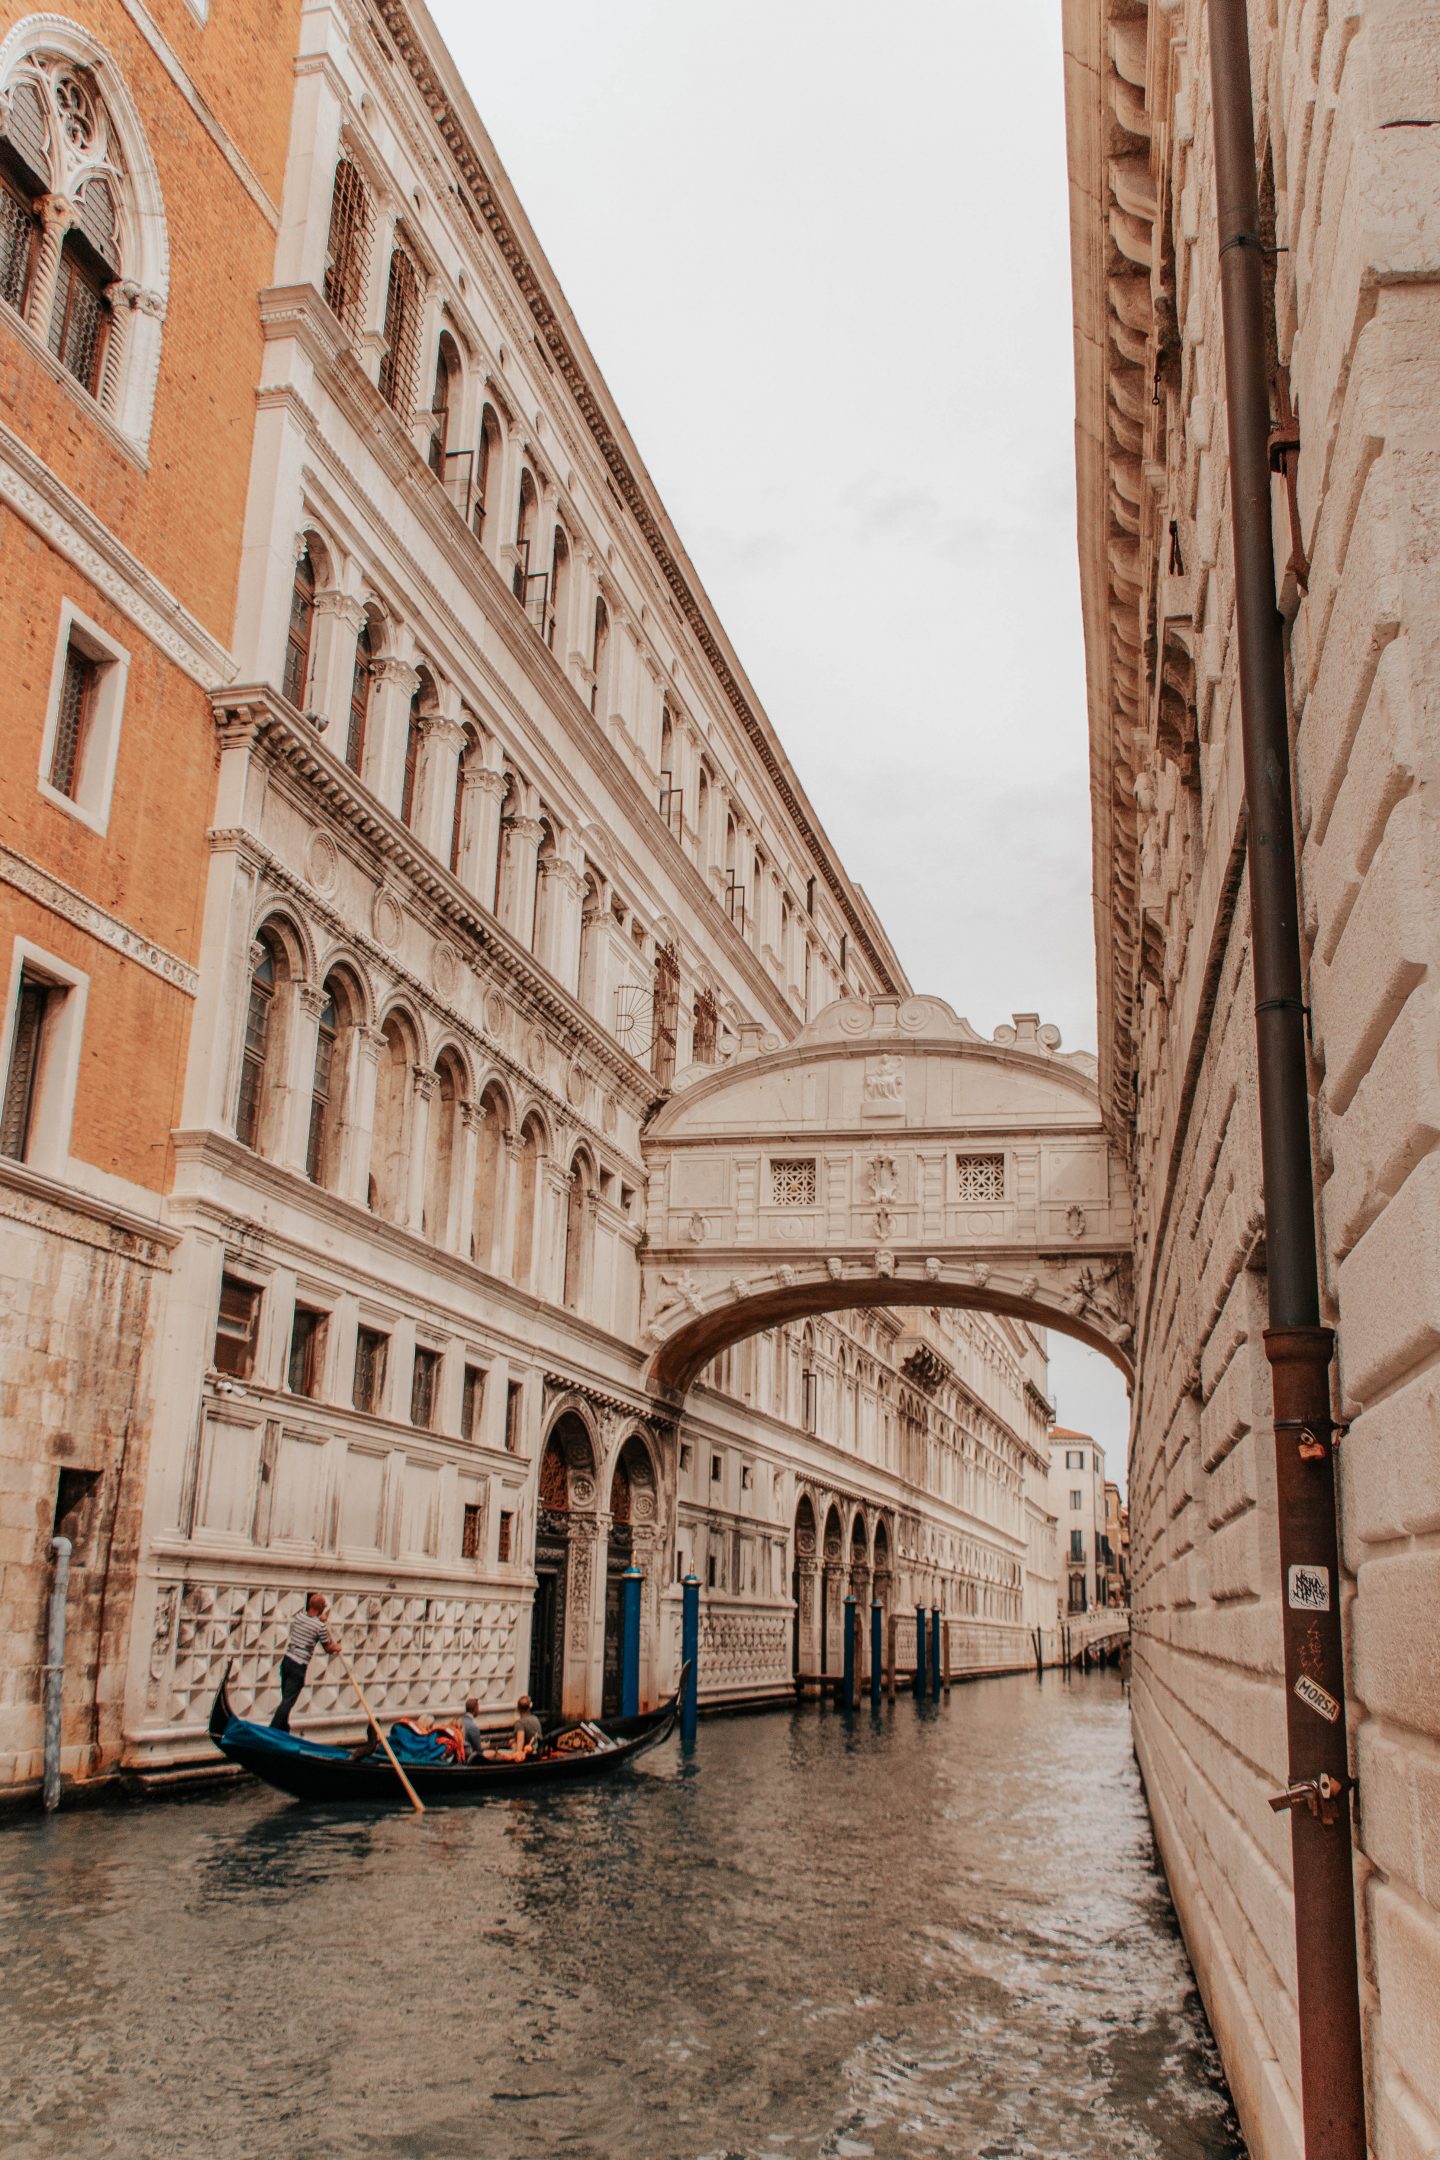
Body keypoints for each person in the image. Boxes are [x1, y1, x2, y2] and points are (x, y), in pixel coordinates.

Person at [270, 1591, 338, 1731]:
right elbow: (328, 1648)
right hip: (298, 1666)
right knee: (288, 1702)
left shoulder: (299, 1617)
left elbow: (312, 1619)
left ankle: (283, 1731)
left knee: (286, 1699)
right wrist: (337, 1646)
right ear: (322, 1608)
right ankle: (273, 1731)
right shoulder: (320, 1627)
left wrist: (321, 1618)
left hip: (287, 1661)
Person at [486, 1694, 543, 1762]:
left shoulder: (520, 1723)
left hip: (527, 1756)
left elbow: (520, 1742)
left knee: (491, 1753)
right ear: (529, 1707)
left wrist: (517, 1752)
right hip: (538, 1753)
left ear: (518, 1708)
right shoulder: (535, 1718)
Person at [460, 1695, 488, 1763]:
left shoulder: (459, 1721)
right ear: (475, 1709)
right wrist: (486, 1745)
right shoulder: (473, 1727)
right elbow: (478, 1750)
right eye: (478, 1708)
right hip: (468, 1759)